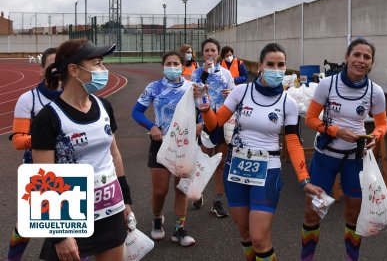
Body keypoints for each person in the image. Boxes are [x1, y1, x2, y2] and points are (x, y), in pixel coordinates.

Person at [199, 42, 323, 261]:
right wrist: (205, 106)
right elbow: (215, 125)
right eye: (271, 64)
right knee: (245, 234)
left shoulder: (289, 103)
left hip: (267, 170)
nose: (276, 70)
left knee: (259, 238)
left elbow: (293, 142)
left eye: (281, 65)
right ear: (260, 66)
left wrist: (304, 179)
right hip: (235, 168)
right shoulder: (240, 91)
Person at [31, 39, 133, 260]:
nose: (104, 70)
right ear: (74, 70)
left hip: (111, 209)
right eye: (97, 63)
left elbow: (114, 153)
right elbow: (43, 178)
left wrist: (126, 199)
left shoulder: (104, 106)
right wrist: (59, 235)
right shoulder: (47, 118)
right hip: (71, 215)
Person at [301, 38, 387, 261]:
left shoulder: (375, 92)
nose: (361, 60)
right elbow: (310, 119)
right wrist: (334, 131)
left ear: (372, 63)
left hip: (355, 159)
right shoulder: (327, 85)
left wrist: (375, 137)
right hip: (325, 158)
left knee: (352, 214)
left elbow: (382, 124)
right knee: (312, 213)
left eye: (366, 57)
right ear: (347, 57)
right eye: (356, 55)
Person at [131, 50, 200, 246]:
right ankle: (157, 218)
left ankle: (179, 229)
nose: (172, 67)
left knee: (181, 189)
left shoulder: (191, 88)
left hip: (184, 144)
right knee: (160, 191)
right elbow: (136, 112)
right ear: (163, 66)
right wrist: (151, 126)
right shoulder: (154, 87)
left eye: (175, 63)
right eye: (168, 64)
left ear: (182, 66)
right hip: (160, 143)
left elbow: (203, 111)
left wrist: (200, 125)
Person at [8, 48, 60, 261]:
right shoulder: (28, 99)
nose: (57, 71)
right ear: (41, 70)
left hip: (72, 170)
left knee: (74, 223)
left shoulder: (78, 98)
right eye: (51, 66)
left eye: (62, 66)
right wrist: (46, 138)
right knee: (27, 224)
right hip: (37, 169)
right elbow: (19, 141)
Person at [190, 38, 235, 217]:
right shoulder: (197, 73)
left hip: (224, 121)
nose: (210, 53)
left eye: (213, 50)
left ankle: (217, 201)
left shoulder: (226, 73)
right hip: (206, 122)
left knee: (220, 163)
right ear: (203, 53)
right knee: (202, 161)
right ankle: (197, 192)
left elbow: (235, 95)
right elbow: (194, 93)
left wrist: (231, 93)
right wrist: (205, 74)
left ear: (218, 53)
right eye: (207, 50)